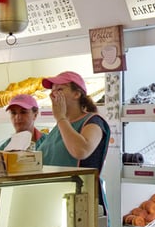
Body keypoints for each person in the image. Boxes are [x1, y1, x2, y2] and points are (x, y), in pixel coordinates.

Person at [38, 71, 110, 211]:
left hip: (81, 203)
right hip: (55, 199)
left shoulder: (93, 122)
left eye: (60, 89)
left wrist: (60, 117)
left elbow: (81, 150)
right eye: (52, 91)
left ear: (77, 94)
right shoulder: (59, 127)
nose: (54, 95)